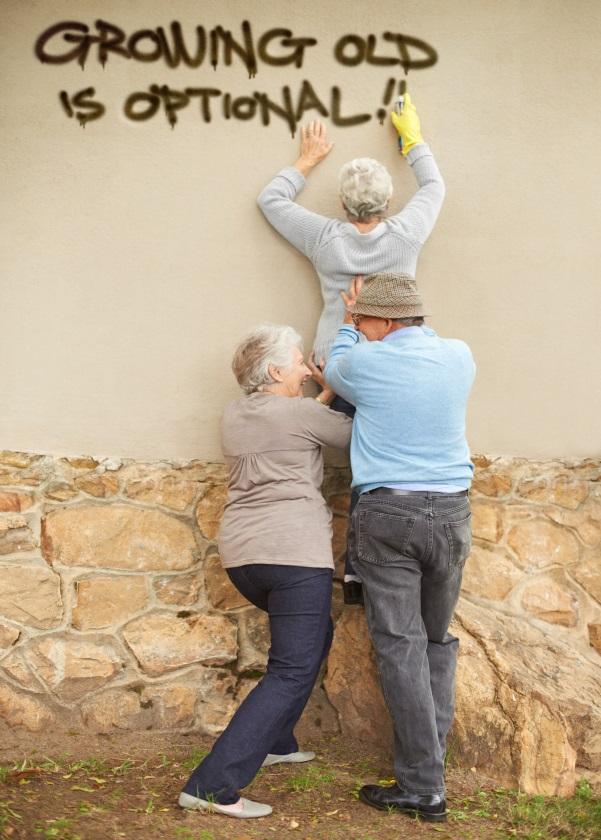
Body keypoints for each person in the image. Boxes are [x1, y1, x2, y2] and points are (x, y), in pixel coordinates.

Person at [257, 94, 445, 602]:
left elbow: (271, 201)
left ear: (342, 204)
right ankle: (370, 570)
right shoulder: (406, 234)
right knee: (378, 464)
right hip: (394, 366)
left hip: (335, 367)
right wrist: (412, 137)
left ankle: (338, 569)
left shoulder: (325, 237)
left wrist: (306, 161)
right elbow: (434, 186)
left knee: (347, 464)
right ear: (387, 203)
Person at [179, 325, 352, 819]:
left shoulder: (235, 414)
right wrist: (339, 385)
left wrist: (319, 394)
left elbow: (295, 423)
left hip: (244, 558)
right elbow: (352, 435)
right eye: (298, 361)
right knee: (292, 669)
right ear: (276, 371)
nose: (304, 367)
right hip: (294, 555)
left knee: (315, 637)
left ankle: (276, 741)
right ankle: (213, 785)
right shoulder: (301, 413)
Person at [324, 274, 476, 823]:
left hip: (389, 513)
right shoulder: (459, 356)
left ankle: (422, 787)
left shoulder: (366, 360)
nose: (362, 327)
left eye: (367, 320)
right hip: (452, 511)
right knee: (436, 641)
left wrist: (346, 325)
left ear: (385, 323)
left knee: (401, 647)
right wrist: (363, 319)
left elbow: (336, 367)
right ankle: (427, 775)